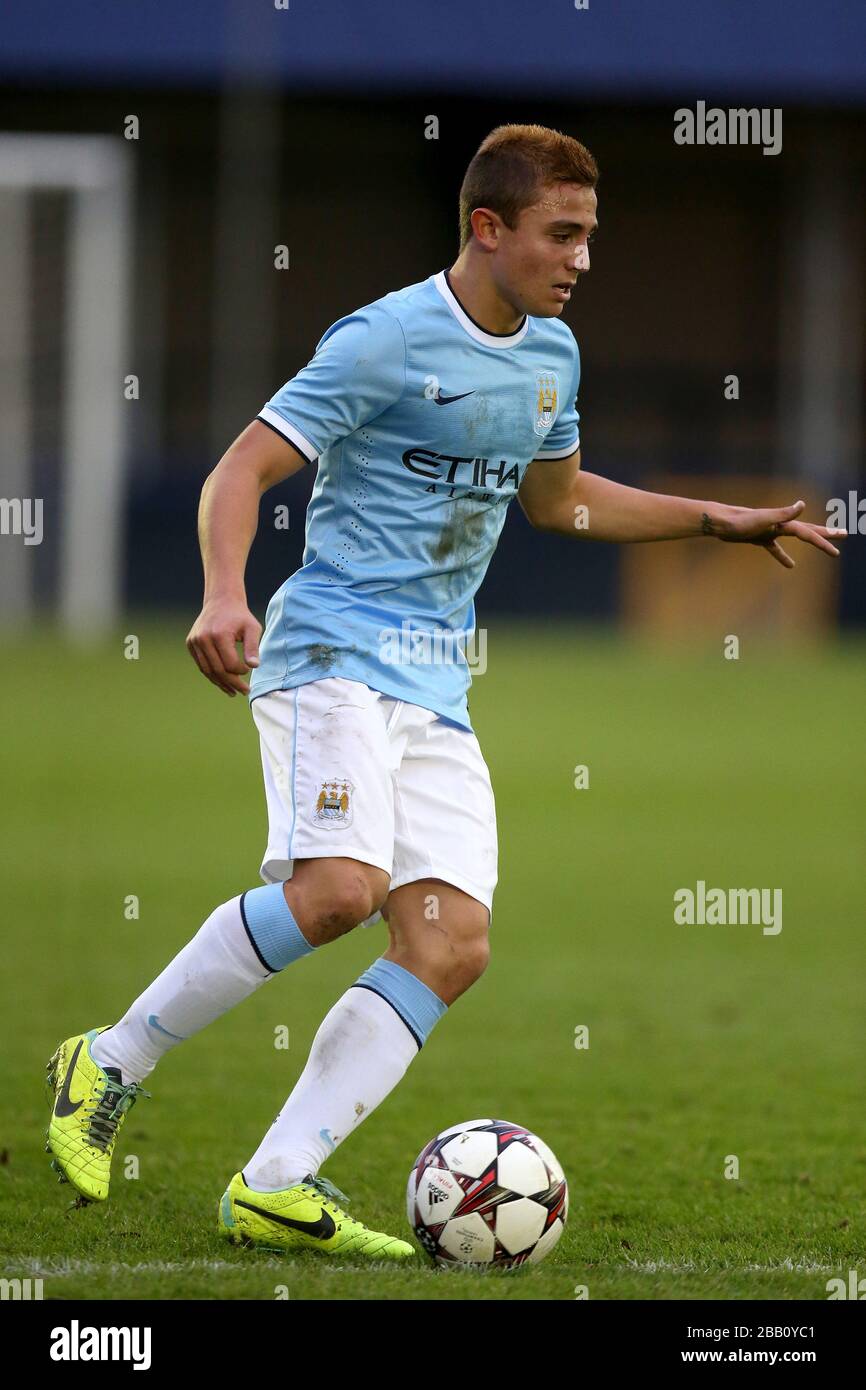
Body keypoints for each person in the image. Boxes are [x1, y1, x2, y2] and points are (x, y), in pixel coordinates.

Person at [45, 123, 844, 1259]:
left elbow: (558, 501)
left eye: (588, 236)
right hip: (329, 651)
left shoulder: (550, 358)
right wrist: (225, 592)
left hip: (435, 681)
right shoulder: (382, 338)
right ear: (487, 227)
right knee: (336, 890)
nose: (579, 259)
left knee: (449, 942)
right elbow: (241, 467)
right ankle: (108, 1060)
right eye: (560, 234)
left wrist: (714, 517)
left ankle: (276, 1179)